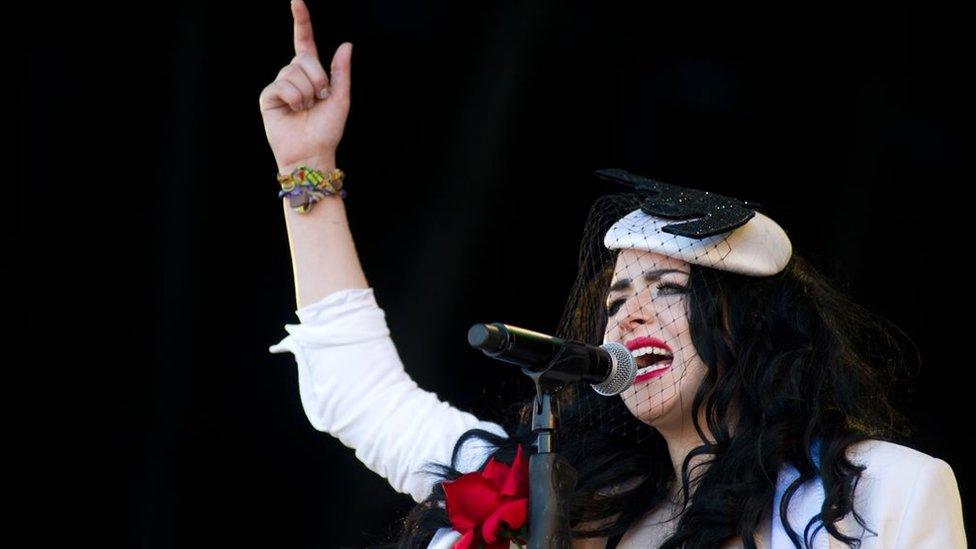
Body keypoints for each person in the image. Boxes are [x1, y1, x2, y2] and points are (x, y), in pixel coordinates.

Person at [259, 2, 966, 547]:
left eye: (669, 290)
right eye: (618, 294)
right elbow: (363, 393)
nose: (627, 316)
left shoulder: (882, 491)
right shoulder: (569, 494)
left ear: (751, 322)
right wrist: (304, 166)